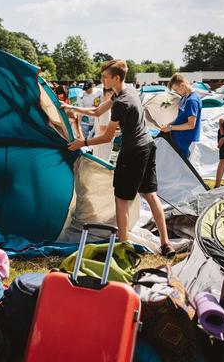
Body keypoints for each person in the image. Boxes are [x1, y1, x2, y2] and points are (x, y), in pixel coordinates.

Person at [65, 60, 174, 257]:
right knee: (150, 195)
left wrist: (83, 143)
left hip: (133, 151)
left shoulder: (121, 103)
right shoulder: (127, 91)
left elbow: (107, 136)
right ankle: (166, 243)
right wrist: (71, 108)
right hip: (149, 145)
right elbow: (98, 112)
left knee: (121, 199)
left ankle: (124, 247)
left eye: (105, 77)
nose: (102, 80)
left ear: (116, 77)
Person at [160, 74, 201, 158]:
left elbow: (191, 125)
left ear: (182, 85)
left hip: (186, 140)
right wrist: (169, 124)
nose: (176, 92)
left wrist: (171, 127)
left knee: (184, 166)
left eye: (176, 89)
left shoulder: (192, 100)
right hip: (180, 137)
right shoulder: (184, 97)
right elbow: (181, 117)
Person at [92, 87, 114, 161]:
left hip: (101, 145)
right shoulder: (106, 110)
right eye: (115, 95)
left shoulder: (103, 107)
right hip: (102, 146)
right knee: (101, 170)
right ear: (108, 94)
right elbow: (103, 131)